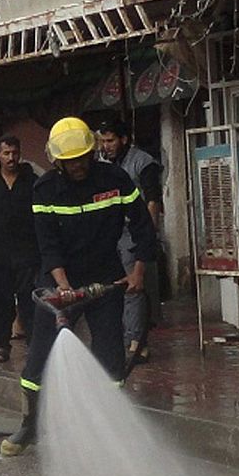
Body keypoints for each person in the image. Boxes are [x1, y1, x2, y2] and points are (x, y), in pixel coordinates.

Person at [1, 117, 156, 457]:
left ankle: (111, 425)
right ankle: (30, 425)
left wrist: (138, 273)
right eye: (70, 161)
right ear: (57, 161)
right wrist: (63, 288)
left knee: (111, 357)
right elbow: (48, 245)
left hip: (106, 278)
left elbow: (143, 226)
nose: (78, 165)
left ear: (92, 152)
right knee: (39, 356)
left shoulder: (115, 179)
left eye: (84, 157)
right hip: (58, 280)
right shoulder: (45, 190)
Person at [97, 119, 164, 367]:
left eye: (111, 140)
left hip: (134, 232)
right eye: (103, 141)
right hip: (109, 232)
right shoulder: (102, 164)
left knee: (134, 287)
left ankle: (136, 342)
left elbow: (153, 200)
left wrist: (149, 233)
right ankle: (127, 338)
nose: (107, 146)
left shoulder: (142, 162)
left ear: (124, 139)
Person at [0, 136, 38, 364]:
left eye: (14, 152)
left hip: (27, 252)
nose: (11, 157)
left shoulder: (31, 180)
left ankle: (35, 344)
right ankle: (1, 345)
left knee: (30, 300)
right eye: (5, 153)